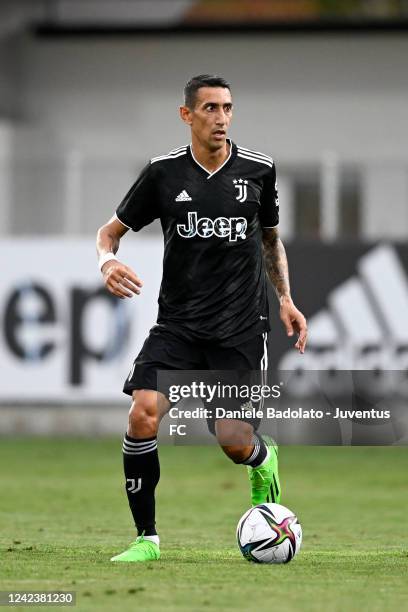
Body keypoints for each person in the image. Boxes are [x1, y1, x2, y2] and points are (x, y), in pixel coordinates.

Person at [96, 74, 307, 563]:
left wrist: (286, 299)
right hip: (178, 326)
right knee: (142, 414)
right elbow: (109, 234)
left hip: (238, 327)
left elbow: (270, 240)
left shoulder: (258, 170)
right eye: (210, 108)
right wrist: (106, 262)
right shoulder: (163, 174)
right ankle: (146, 538)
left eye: (228, 108)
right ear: (187, 115)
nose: (222, 118)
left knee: (233, 442)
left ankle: (262, 458)